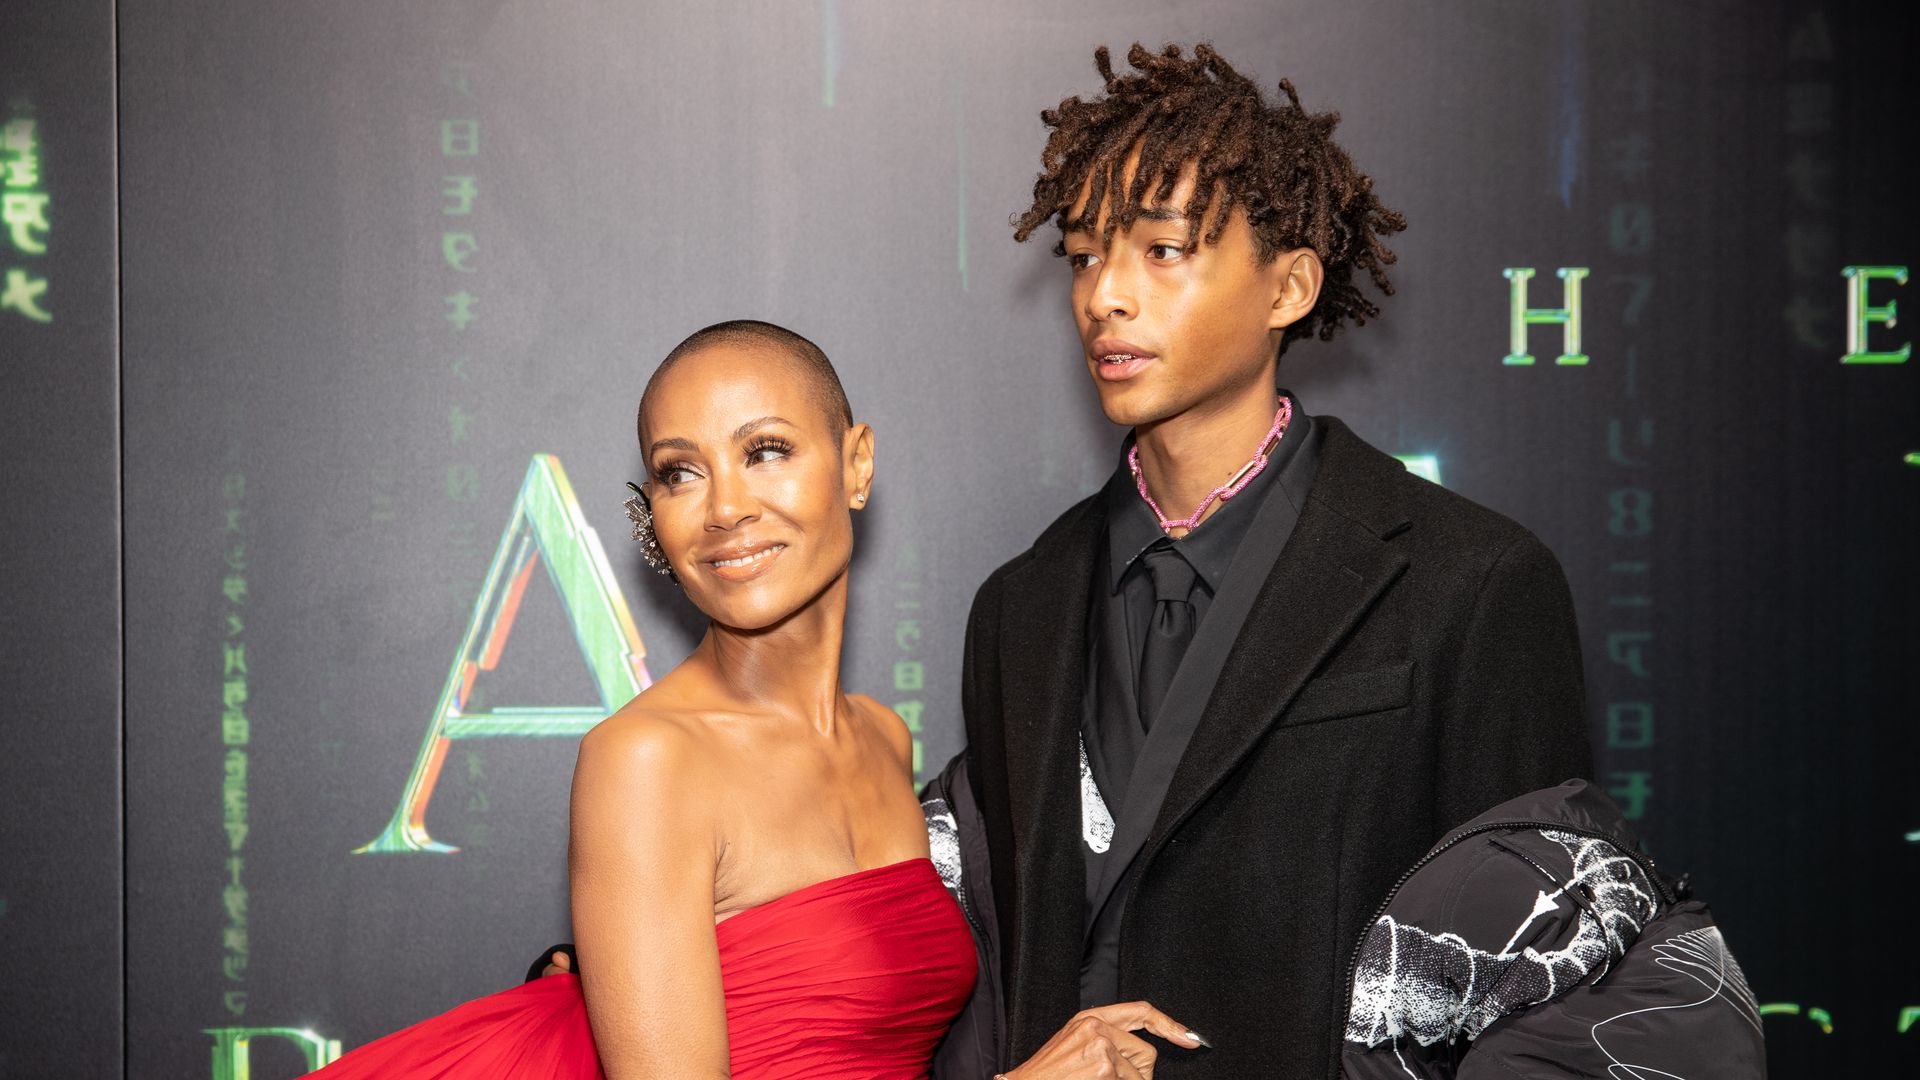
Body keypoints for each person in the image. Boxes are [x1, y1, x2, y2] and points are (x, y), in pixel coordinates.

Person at [920, 43, 1594, 1079]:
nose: (1105, 295)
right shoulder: (1019, 607)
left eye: (1161, 250)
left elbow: (1541, 998)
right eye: (1086, 253)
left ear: (1289, 286)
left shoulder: (1472, 583)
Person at [310, 320, 1001, 1079]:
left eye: (765, 451)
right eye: (680, 473)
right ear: (652, 516)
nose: (724, 509)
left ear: (856, 464)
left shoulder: (881, 737)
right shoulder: (646, 761)